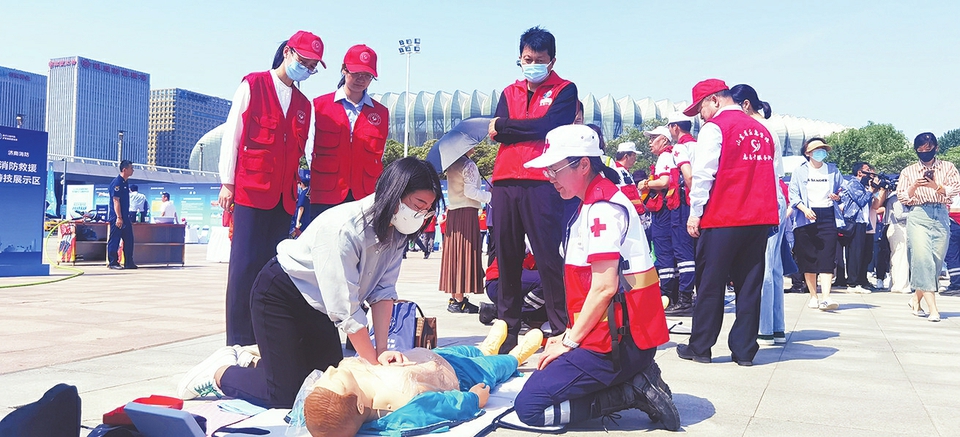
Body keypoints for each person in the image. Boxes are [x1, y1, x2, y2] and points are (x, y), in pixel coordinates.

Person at [177, 157, 444, 407]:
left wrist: (383, 351)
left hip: (319, 307)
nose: (422, 214)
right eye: (418, 204)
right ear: (394, 193)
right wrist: (374, 364)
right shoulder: (345, 228)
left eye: (428, 209)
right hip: (281, 295)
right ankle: (221, 373)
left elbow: (383, 292)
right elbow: (345, 310)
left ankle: (256, 363)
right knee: (284, 394)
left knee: (324, 383)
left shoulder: (396, 232)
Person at [515, 124, 679, 431]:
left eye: (555, 170)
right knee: (541, 381)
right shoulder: (590, 203)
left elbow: (604, 288)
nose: (550, 179)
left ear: (584, 164)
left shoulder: (602, 209)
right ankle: (634, 378)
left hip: (615, 345)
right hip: (610, 337)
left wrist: (568, 341)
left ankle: (629, 390)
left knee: (530, 409)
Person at [218, 31, 324, 346]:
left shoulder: (305, 104)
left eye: (313, 66)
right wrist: (227, 182)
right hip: (251, 190)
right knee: (243, 266)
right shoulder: (253, 84)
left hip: (284, 197)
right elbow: (232, 134)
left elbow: (304, 150)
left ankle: (264, 334)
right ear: (288, 53)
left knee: (272, 267)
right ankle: (237, 339)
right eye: (303, 61)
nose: (306, 68)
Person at [487, 26, 578, 352]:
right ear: (520, 58)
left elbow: (550, 126)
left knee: (547, 256)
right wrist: (517, 129)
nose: (532, 64)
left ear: (551, 61)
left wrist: (508, 127)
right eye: (527, 59)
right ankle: (507, 330)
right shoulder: (509, 91)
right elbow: (501, 133)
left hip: (543, 181)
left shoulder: (566, 90)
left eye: (539, 60)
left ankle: (560, 327)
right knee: (507, 256)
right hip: (506, 181)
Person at [677, 79, 778, 366]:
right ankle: (745, 351)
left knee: (710, 283)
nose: (701, 115)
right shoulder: (761, 129)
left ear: (715, 100)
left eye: (701, 108)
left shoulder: (716, 128)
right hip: (758, 217)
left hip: (723, 216)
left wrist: (695, 212)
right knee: (749, 285)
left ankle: (701, 346)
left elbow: (704, 174)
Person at [303, 324, 544, 437]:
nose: (332, 371)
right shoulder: (399, 409)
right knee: (492, 367)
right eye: (336, 380)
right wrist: (473, 399)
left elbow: (314, 413)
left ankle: (485, 347)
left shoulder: (350, 385)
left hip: (434, 357)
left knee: (467, 350)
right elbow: (441, 406)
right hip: (460, 376)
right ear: (358, 405)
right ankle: (515, 356)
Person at [731, 84, 787, 345]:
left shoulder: (757, 129)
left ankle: (764, 328)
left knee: (763, 264)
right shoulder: (768, 128)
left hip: (766, 196)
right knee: (773, 267)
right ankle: (775, 326)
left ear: (745, 105)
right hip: (776, 196)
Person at [308, 44, 389, 220]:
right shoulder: (319, 106)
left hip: (364, 196)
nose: (361, 79)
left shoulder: (381, 113)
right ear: (344, 70)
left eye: (367, 75)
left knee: (361, 246)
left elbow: (379, 155)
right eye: (356, 73)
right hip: (326, 193)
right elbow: (309, 149)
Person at [897, 133, 960, 322]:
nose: (925, 152)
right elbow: (903, 197)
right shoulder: (908, 171)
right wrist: (915, 186)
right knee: (922, 258)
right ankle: (933, 308)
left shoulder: (948, 167)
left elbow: (955, 189)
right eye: (921, 149)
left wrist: (936, 186)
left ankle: (916, 298)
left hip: (941, 213)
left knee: (936, 260)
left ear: (936, 148)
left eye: (928, 148)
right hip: (918, 214)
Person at [789, 139, 844, 311]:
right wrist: (804, 209)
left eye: (823, 149)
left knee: (828, 256)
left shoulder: (833, 170)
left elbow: (843, 189)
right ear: (808, 153)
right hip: (806, 216)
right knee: (809, 257)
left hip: (827, 214)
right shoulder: (799, 171)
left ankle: (826, 297)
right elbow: (794, 195)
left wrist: (838, 196)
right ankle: (813, 296)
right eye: (816, 149)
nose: (820, 152)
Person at [639, 126, 690, 313]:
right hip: (666, 210)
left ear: (665, 140)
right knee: (668, 251)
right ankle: (673, 295)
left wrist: (644, 184)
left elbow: (664, 182)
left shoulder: (665, 157)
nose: (650, 142)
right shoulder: (668, 156)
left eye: (654, 138)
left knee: (665, 251)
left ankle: (668, 294)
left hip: (665, 211)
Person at [440, 152, 491, 313]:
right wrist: (492, 196)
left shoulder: (451, 165)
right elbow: (471, 192)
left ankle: (456, 297)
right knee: (465, 252)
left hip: (454, 212)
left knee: (455, 254)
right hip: (467, 212)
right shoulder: (468, 165)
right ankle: (460, 300)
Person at [663, 113, 697, 317]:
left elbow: (689, 176)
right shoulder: (698, 145)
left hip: (685, 204)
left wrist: (694, 206)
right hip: (698, 203)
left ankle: (685, 299)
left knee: (683, 253)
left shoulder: (680, 147)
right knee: (694, 253)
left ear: (675, 127)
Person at [838, 162, 878, 293]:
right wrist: (871, 191)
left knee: (862, 253)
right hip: (854, 222)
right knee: (854, 252)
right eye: (867, 171)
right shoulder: (853, 184)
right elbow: (861, 200)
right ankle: (852, 283)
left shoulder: (862, 185)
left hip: (863, 222)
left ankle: (859, 281)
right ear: (860, 172)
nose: (870, 174)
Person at [107, 160, 136, 270]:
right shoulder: (117, 183)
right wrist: (118, 217)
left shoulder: (125, 182)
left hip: (125, 216)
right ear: (125, 169)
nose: (133, 170)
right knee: (115, 239)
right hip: (117, 217)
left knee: (129, 239)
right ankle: (113, 262)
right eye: (131, 168)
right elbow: (116, 201)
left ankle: (129, 262)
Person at [943, 195, 960, 295]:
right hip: (952, 218)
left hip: (952, 219)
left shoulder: (949, 183)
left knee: (952, 255)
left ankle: (956, 284)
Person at [292, 169, 312, 238]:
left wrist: (298, 221)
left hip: (302, 220)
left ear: (301, 184)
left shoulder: (303, 193)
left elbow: (301, 207)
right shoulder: (309, 193)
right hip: (308, 218)